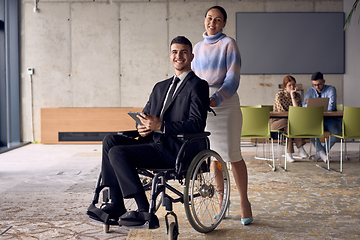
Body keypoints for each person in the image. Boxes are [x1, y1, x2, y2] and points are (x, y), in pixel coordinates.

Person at [86, 36, 209, 226]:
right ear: (170, 56)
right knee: (110, 140)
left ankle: (143, 209)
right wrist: (141, 127)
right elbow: (145, 115)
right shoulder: (160, 87)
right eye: (175, 52)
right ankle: (116, 203)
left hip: (175, 148)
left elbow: (197, 124)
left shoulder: (198, 85)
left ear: (191, 56)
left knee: (118, 152)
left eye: (184, 52)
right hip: (152, 142)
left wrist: (162, 126)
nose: (179, 56)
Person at [191, 5, 252, 225]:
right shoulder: (196, 47)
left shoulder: (229, 44)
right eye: (209, 18)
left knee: (233, 155)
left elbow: (233, 79)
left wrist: (215, 99)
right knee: (213, 157)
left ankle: (244, 202)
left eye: (217, 20)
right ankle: (221, 202)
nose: (212, 23)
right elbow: (193, 79)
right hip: (202, 104)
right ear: (204, 20)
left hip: (225, 104)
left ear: (224, 23)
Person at [303, 71, 341, 162]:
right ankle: (322, 153)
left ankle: (321, 152)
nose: (317, 87)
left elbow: (330, 107)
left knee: (336, 131)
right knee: (309, 129)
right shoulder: (310, 91)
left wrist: (312, 104)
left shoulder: (331, 89)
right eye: (314, 85)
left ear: (324, 81)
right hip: (316, 119)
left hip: (330, 119)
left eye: (319, 84)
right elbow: (304, 107)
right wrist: (308, 105)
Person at [270, 75, 309, 162]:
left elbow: (297, 112)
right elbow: (282, 113)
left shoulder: (297, 96)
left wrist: (292, 96)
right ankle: (300, 148)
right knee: (291, 122)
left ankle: (289, 154)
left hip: (289, 123)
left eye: (293, 85)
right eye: (289, 85)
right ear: (285, 86)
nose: (292, 87)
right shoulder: (279, 95)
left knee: (290, 127)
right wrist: (294, 115)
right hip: (277, 122)